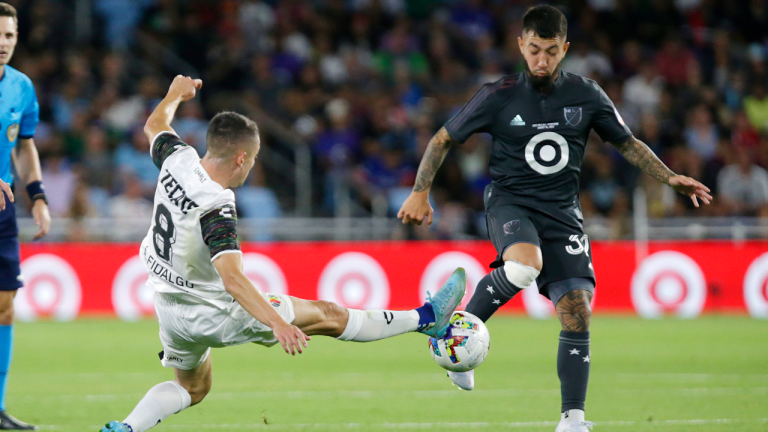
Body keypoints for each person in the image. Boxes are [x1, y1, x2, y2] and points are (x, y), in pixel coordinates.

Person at [397, 5, 711, 432]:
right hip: (511, 202)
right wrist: (420, 191)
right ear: (520, 47)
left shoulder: (587, 95)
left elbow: (628, 143)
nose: (541, 60)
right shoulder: (499, 95)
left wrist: (670, 176)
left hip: (563, 213)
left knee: (577, 309)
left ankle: (573, 420)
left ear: (565, 49)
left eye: (549, 51)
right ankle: (457, 341)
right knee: (525, 265)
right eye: (533, 50)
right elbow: (443, 137)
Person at [99, 76, 467, 432]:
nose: (255, 165)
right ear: (241, 158)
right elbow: (232, 279)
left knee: (193, 388)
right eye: (255, 158)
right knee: (329, 315)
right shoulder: (217, 204)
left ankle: (126, 428)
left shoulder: (178, 159)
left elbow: (154, 123)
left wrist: (174, 94)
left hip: (168, 308)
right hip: (213, 312)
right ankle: (426, 318)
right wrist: (277, 322)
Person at [0, 3, 51, 430]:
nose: (2, 44)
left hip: (2, 210)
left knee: (4, 307)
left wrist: (37, 195)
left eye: (9, 36)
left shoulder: (21, 87)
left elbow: (24, 145)